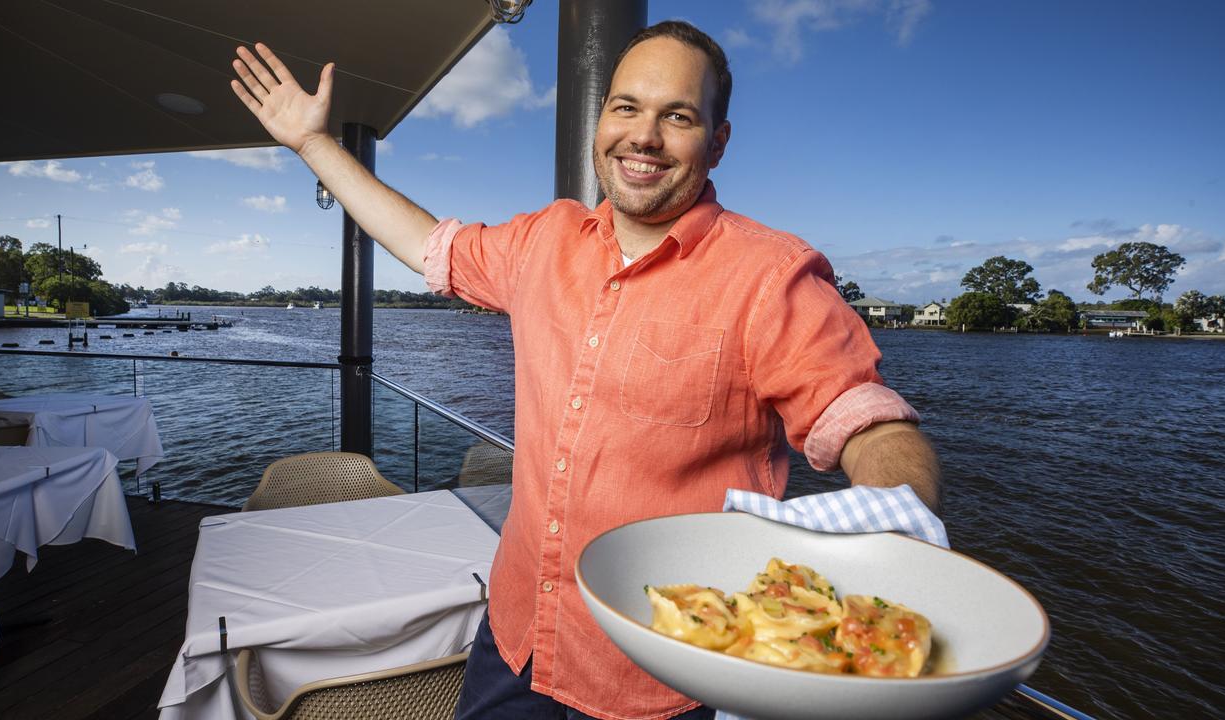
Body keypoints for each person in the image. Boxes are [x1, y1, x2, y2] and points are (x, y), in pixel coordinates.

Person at [231, 20, 940, 720]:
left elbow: (864, 419)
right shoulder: (544, 242)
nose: (644, 136)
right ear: (601, 120)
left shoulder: (771, 276)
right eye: (626, 107)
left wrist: (889, 541)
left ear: (717, 143)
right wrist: (313, 144)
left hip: (660, 668)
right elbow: (425, 244)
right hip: (516, 635)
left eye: (679, 116)